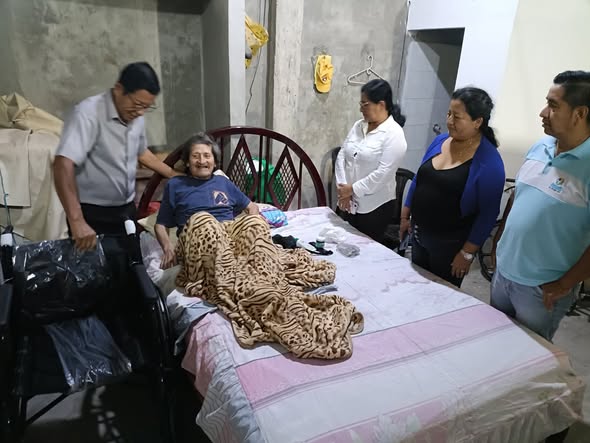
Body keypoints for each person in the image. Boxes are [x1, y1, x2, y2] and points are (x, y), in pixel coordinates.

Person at [492, 70, 590, 342]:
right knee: (493, 342)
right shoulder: (541, 147)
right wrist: (499, 242)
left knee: (528, 355)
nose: (543, 112)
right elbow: (519, 196)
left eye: (553, 105)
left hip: (542, 289)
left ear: (579, 114)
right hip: (504, 272)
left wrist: (564, 284)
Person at [54, 62, 181, 250]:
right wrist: (77, 220)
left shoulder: (136, 117)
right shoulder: (87, 113)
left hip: (126, 210)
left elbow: (141, 153)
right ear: (119, 89)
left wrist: (172, 174)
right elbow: (62, 164)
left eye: (147, 107)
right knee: (94, 266)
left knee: (129, 262)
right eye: (138, 104)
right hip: (92, 215)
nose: (140, 112)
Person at [400, 87, 505, 287]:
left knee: (440, 296)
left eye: (457, 117)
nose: (449, 121)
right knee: (416, 288)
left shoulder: (489, 163)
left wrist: (467, 253)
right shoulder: (440, 141)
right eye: (449, 113)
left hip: (450, 248)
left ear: (477, 122)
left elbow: (488, 214)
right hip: (419, 236)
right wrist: (405, 216)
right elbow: (420, 179)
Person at [155, 132, 259, 269]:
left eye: (207, 156)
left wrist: (251, 226)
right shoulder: (175, 184)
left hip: (228, 237)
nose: (202, 161)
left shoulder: (223, 182)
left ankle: (243, 266)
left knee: (258, 224)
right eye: (195, 156)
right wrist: (168, 248)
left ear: (214, 162)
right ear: (187, 162)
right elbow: (161, 225)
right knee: (206, 222)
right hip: (197, 240)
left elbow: (252, 207)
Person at [334, 79, 407, 243]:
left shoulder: (394, 134)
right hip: (347, 201)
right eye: (360, 104)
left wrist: (352, 190)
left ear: (381, 105)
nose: (361, 109)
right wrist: (343, 189)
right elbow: (342, 155)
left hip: (374, 207)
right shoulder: (359, 126)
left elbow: (383, 174)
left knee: (363, 250)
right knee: (340, 244)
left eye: (365, 104)